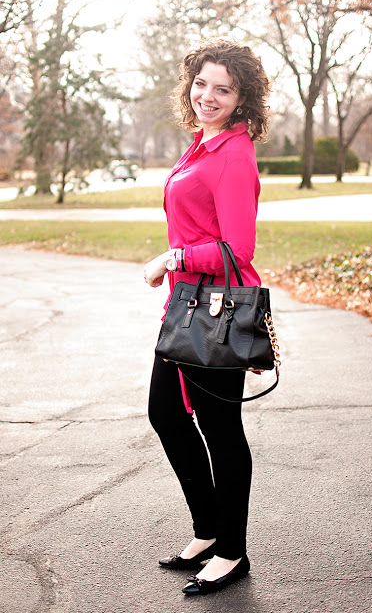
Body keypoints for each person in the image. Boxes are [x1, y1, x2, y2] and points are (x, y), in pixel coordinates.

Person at [144, 38, 270, 596]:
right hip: (187, 304)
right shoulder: (202, 144)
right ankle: (207, 530)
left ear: (242, 98)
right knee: (166, 415)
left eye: (223, 89)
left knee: (221, 431)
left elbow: (236, 248)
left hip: (217, 310)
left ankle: (232, 551)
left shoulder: (234, 156)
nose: (208, 96)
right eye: (201, 83)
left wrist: (172, 257)